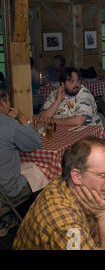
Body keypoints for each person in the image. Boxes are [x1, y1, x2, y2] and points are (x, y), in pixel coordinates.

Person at [13, 136, 105, 250]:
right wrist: (103, 216)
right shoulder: (65, 225)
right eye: (103, 175)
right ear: (77, 176)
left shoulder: (70, 186)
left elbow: (96, 240)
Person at [0, 88, 43, 237]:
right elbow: (36, 143)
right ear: (2, 103)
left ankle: (6, 219)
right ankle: (36, 223)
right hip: (6, 193)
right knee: (42, 171)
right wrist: (22, 118)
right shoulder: (9, 124)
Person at [39, 67, 103, 127]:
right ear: (63, 84)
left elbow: (79, 120)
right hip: (65, 131)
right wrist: (58, 101)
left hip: (88, 132)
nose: (76, 84)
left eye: (77, 81)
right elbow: (42, 117)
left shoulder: (84, 93)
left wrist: (53, 121)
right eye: (72, 81)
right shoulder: (55, 94)